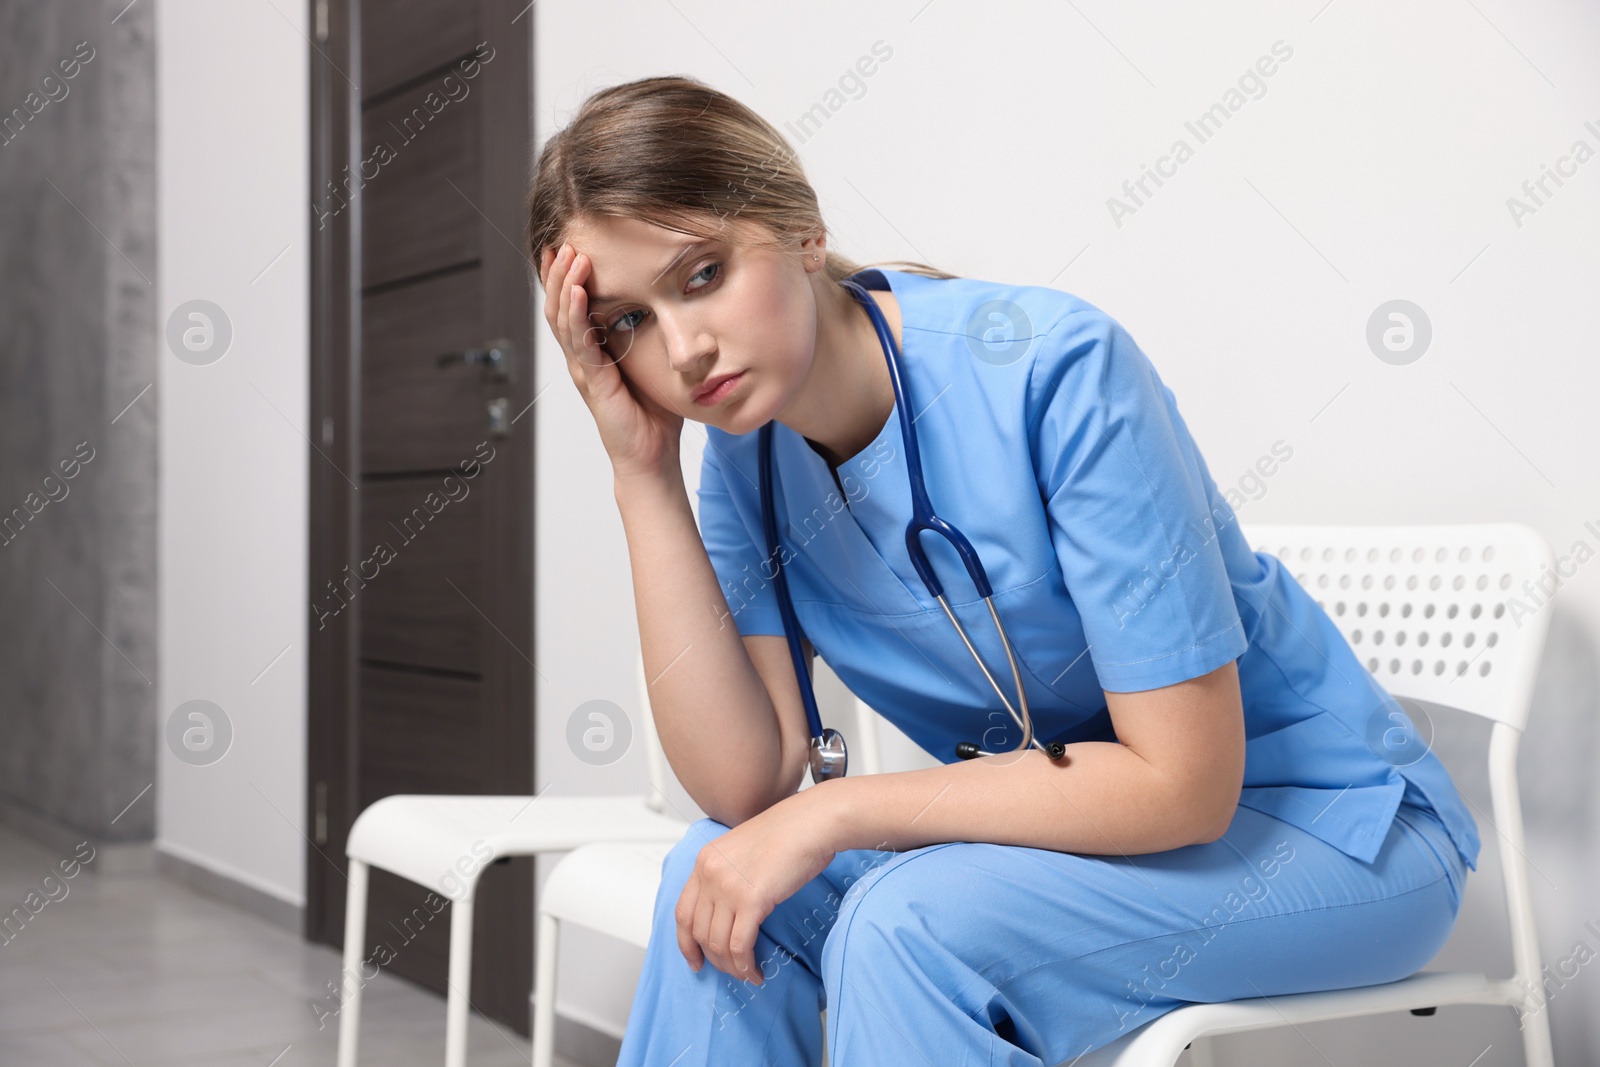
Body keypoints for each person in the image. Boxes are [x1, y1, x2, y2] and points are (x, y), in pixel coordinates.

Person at [526, 74, 1477, 1066]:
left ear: (801, 231)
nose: (681, 350)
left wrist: (840, 807)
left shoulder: (1054, 369)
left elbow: (1184, 785)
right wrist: (640, 472)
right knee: (714, 875)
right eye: (628, 321)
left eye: (701, 274)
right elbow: (744, 785)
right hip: (1077, 843)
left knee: (908, 927)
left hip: (1326, 831)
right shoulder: (745, 460)